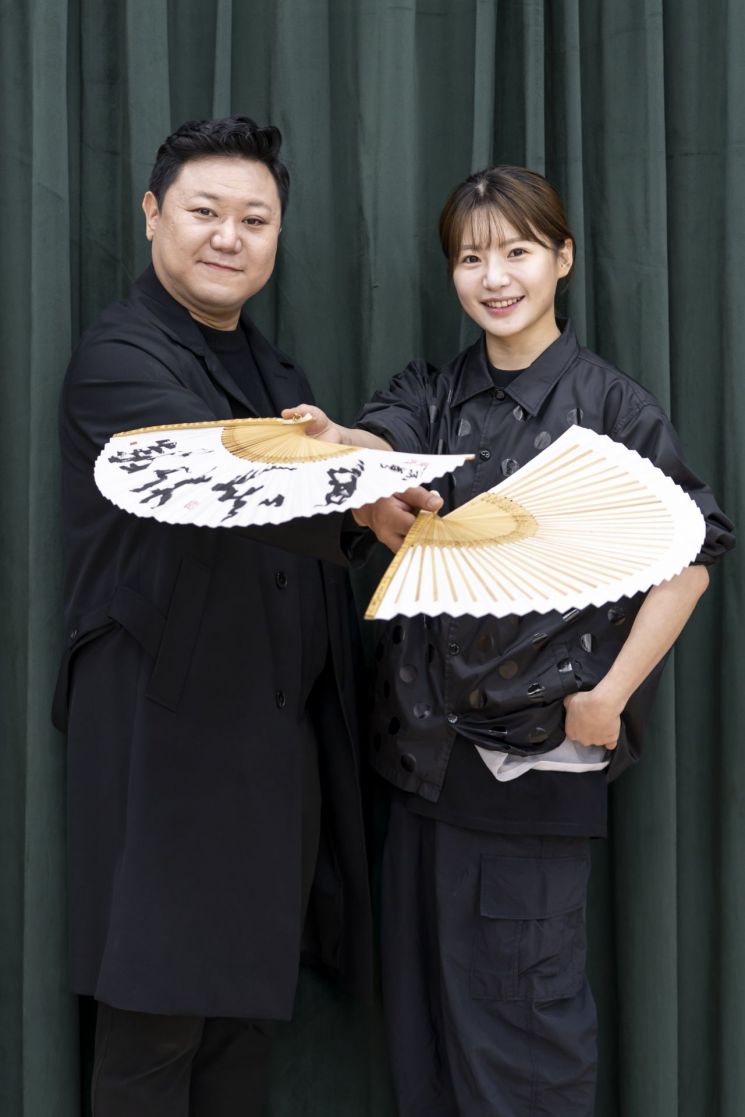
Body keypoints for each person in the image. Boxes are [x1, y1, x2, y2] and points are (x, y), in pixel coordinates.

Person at [288, 165, 735, 1116]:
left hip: (534, 774)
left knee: (522, 1055)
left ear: (562, 259)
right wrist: (339, 442)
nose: (495, 275)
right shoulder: (431, 387)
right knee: (427, 1055)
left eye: (518, 251)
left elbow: (692, 555)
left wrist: (610, 694)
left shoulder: (611, 408)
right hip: (415, 770)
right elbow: (385, 444)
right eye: (471, 256)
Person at [53, 115, 373, 1117]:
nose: (228, 236)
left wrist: (378, 497)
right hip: (163, 754)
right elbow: (214, 469)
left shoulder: (282, 378)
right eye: (204, 212)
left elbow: (324, 501)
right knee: (153, 1034)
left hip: (270, 762)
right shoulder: (117, 352)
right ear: (153, 215)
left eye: (254, 218)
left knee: (238, 1039)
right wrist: (363, 490)